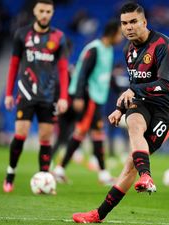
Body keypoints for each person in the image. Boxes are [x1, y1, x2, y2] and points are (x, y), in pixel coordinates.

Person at [72, 2, 169, 223]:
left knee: (130, 165)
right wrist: (120, 109)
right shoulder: (128, 50)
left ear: (144, 22)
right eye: (124, 23)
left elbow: (166, 85)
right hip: (141, 104)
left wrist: (134, 90)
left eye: (133, 22)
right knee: (134, 125)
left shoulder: (162, 45)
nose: (128, 27)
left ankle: (99, 214)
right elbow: (135, 85)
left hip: (166, 109)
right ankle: (146, 177)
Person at [3, 0, 68, 193]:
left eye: (48, 11)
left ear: (52, 12)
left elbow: (63, 69)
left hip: (48, 96)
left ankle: (45, 180)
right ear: (35, 11)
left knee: (45, 139)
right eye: (41, 10)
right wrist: (8, 93)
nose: (44, 14)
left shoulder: (58, 37)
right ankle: (10, 174)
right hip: (26, 94)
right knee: (20, 134)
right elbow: (14, 65)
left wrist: (63, 96)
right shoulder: (22, 34)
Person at [52, 20, 123, 185]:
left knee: (85, 133)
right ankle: (102, 174)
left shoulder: (108, 50)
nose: (122, 37)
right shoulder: (95, 49)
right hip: (89, 97)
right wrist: (78, 96)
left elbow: (103, 75)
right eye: (120, 33)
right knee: (92, 133)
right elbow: (82, 73)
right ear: (112, 33)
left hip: (97, 98)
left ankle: (60, 169)